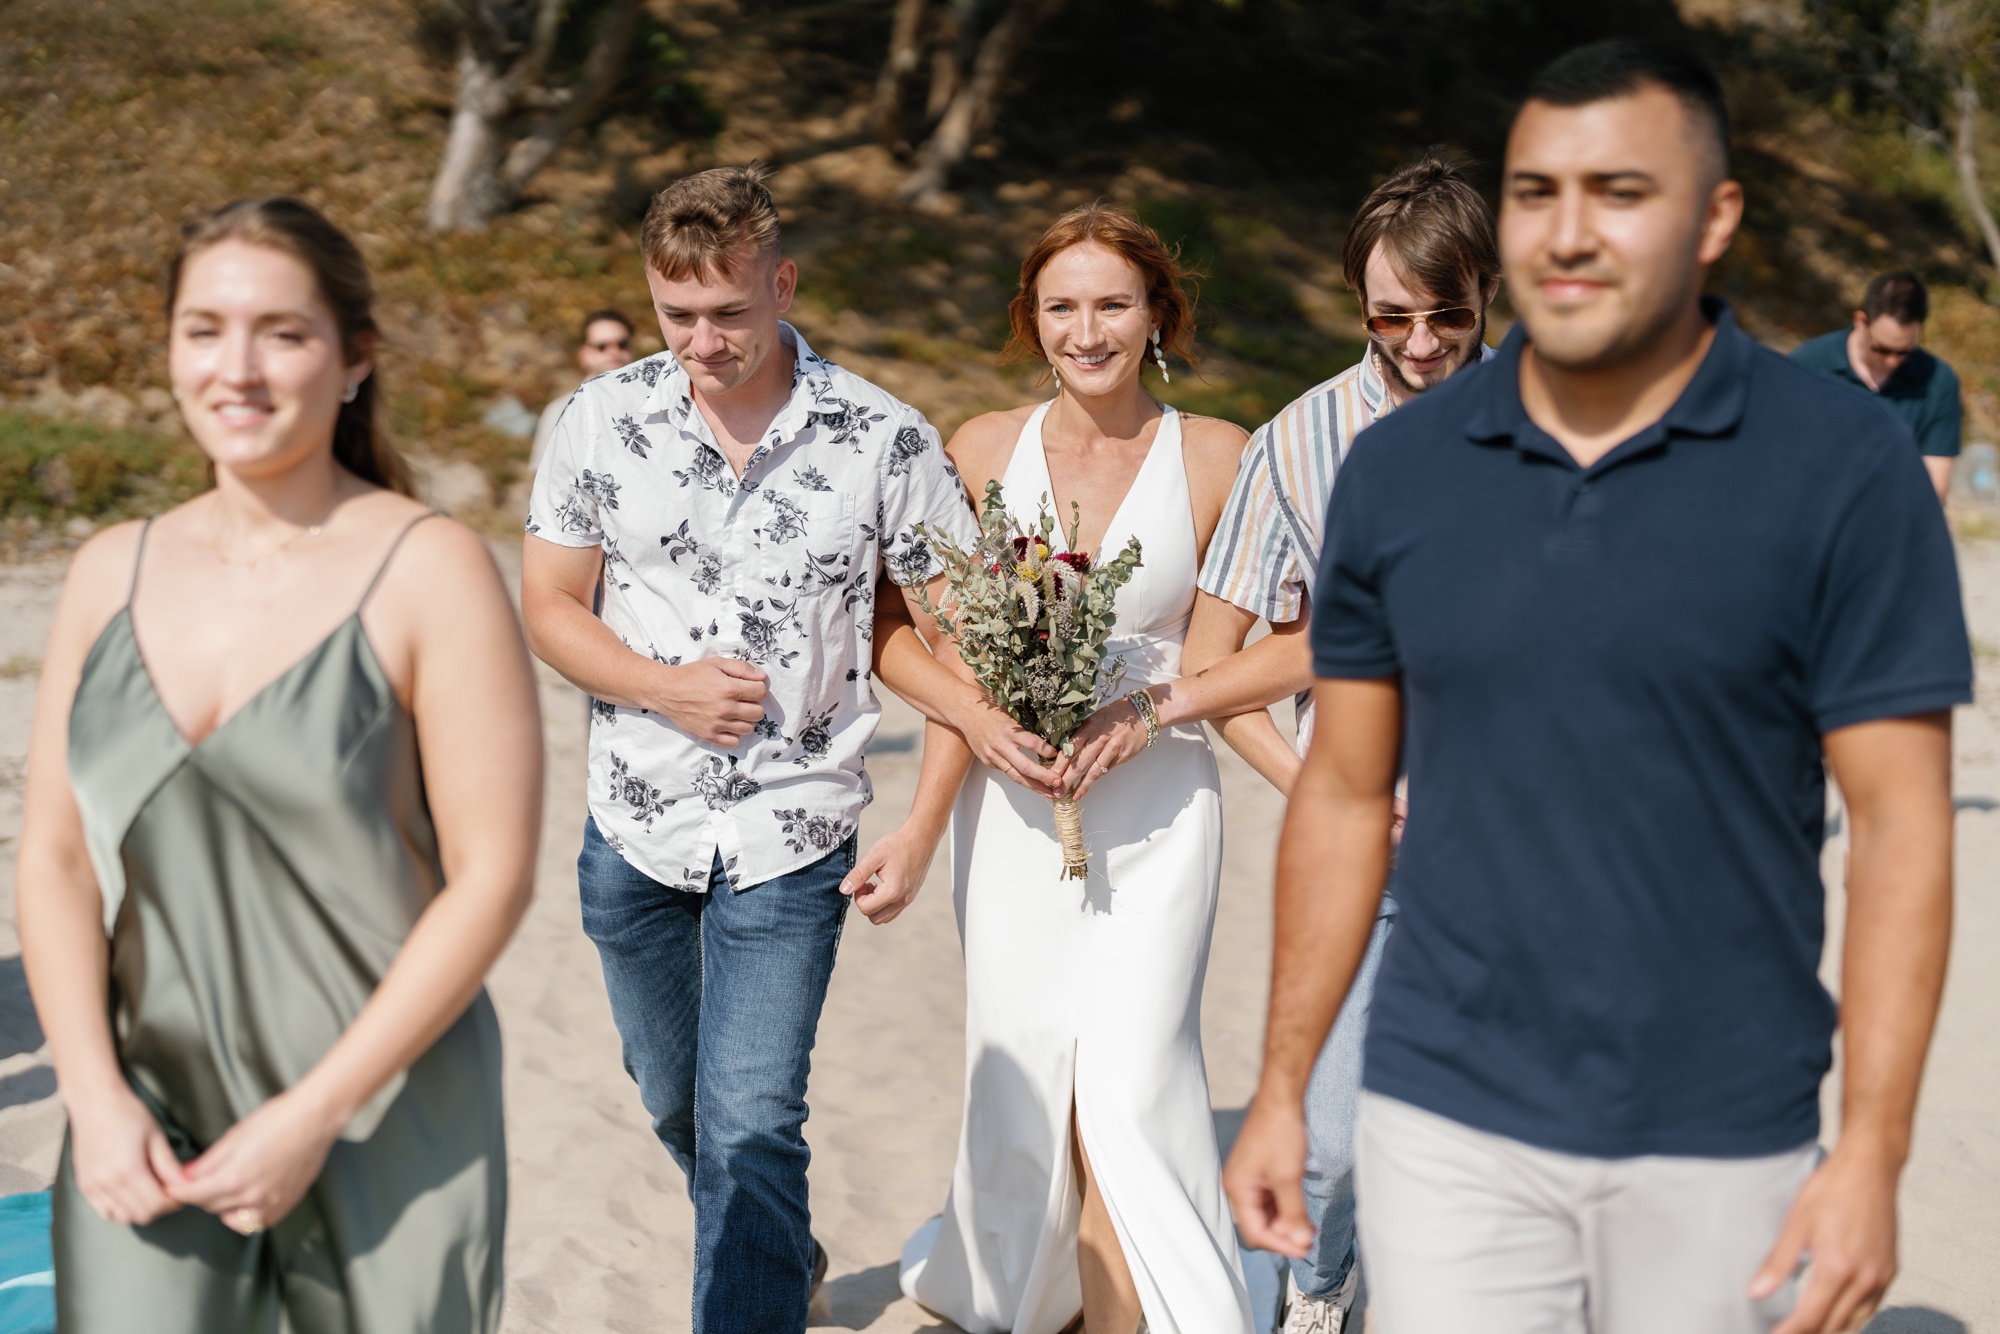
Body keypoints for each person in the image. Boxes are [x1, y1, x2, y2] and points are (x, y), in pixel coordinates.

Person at [1225, 39, 1968, 1334]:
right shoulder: (1397, 475)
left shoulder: (1843, 469)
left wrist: (1873, 1153)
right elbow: (1344, 794)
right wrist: (1285, 1088)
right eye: (1535, 192)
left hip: (1714, 1125)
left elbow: (1903, 830)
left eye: (1620, 190)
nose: (1569, 232)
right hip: (1446, 1109)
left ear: (1717, 213)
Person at [15, 197, 543, 1332]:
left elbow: (492, 877)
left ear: (355, 359)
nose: (237, 367)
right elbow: (54, 856)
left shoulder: (429, 567)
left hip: (385, 1112)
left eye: (283, 332)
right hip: (146, 1116)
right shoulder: (112, 568)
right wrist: (91, 1094)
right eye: (204, 328)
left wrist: (315, 1113)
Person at [518, 165, 999, 1334]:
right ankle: (788, 1255)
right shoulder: (598, 418)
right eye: (676, 314)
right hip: (633, 826)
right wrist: (662, 689)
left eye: (728, 312)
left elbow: (964, 645)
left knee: (748, 1117)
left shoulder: (885, 437)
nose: (701, 340)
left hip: (795, 834)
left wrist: (922, 823)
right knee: (678, 1102)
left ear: (781, 283)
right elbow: (548, 605)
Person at [1110, 150, 1500, 1334]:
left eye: (1448, 315)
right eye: (1392, 316)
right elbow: (1217, 672)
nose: (1422, 342)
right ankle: (1319, 1293)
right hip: (1370, 856)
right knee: (1327, 1149)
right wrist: (1321, 781)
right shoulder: (1298, 441)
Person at [892, 200, 1263, 1334]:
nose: (1085, 328)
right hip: (1011, 818)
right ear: (1031, 316)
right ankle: (1044, 1291)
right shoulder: (976, 447)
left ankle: (1126, 1315)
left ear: (1157, 313)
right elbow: (929, 650)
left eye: (1112, 302)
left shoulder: (1214, 456)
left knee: (1132, 1074)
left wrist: (1169, 720)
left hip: (1158, 813)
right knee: (1030, 1070)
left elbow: (1228, 665)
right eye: (1061, 305)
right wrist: (922, 815)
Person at [1791, 270, 1963, 503]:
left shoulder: (1938, 381)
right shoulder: (1807, 365)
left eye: (1903, 351)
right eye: (1882, 349)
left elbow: (1933, 489)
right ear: (1861, 321)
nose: (1892, 360)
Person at [530, 308, 636, 469]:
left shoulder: (655, 400)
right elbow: (542, 474)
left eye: (622, 344)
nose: (614, 352)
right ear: (583, 355)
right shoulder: (561, 410)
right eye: (602, 346)